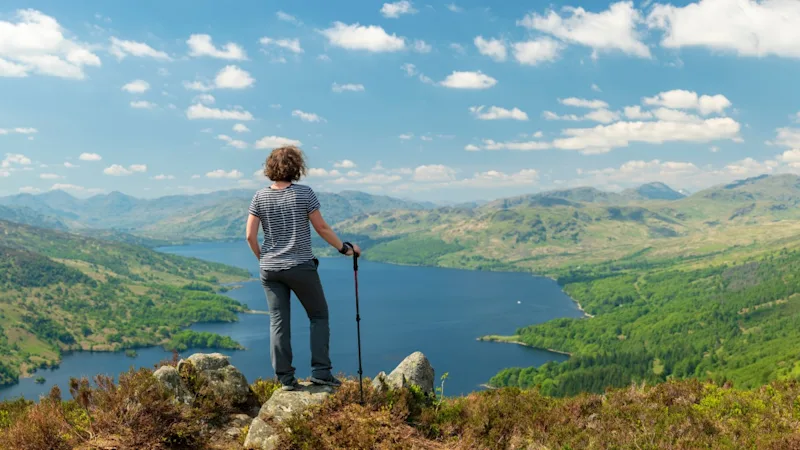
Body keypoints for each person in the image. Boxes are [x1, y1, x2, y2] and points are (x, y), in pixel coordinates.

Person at [246, 145, 361, 391]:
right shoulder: (304, 194)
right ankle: (321, 372)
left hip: (270, 269)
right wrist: (345, 249)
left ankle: (285, 379)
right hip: (300, 266)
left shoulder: (259, 196)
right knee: (318, 316)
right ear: (297, 167)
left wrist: (263, 259)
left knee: (278, 322)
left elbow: (250, 236)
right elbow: (321, 228)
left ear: (269, 167)